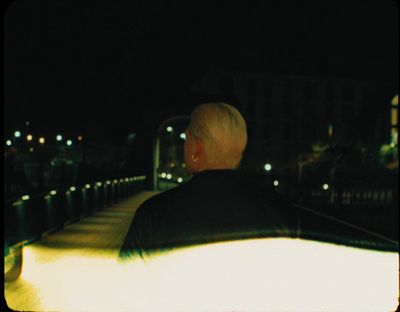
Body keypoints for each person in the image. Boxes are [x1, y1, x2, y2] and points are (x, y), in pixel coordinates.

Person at [119, 102, 296, 259]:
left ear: (197, 147)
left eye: (187, 139)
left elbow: (127, 281)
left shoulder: (154, 214)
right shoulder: (280, 211)